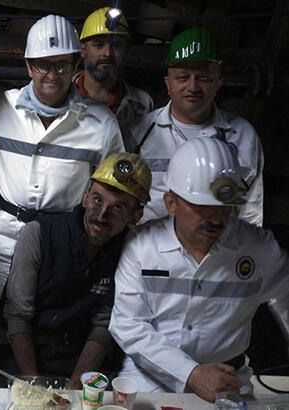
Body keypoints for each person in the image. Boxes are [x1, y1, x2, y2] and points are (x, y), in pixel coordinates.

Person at [109, 138, 289, 402]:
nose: (215, 217)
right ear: (171, 203)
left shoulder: (259, 249)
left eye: (223, 206)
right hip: (150, 378)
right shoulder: (142, 247)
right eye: (201, 207)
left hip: (229, 380)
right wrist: (190, 373)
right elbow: (128, 324)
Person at [0, 15, 124, 311]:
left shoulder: (101, 124)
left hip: (65, 244)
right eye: (42, 65)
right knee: (4, 320)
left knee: (52, 323)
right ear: (28, 66)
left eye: (61, 65)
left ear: (76, 65)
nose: (52, 75)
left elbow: (113, 192)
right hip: (8, 241)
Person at [3, 153, 149, 388]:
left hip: (85, 361)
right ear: (85, 197)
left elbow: (104, 324)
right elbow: (18, 315)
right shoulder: (39, 233)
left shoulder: (130, 251)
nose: (101, 215)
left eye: (118, 207)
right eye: (97, 200)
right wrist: (34, 385)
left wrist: (75, 386)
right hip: (27, 355)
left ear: (136, 216)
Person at [125, 27, 263, 225]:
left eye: (204, 78)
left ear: (218, 83)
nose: (193, 87)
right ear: (168, 83)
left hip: (217, 243)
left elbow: (251, 210)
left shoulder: (241, 135)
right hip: (148, 242)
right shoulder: (138, 133)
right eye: (183, 77)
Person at [76, 7, 153, 129]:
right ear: (83, 49)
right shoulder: (60, 96)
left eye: (116, 45)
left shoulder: (142, 105)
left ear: (126, 50)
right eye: (98, 44)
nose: (107, 53)